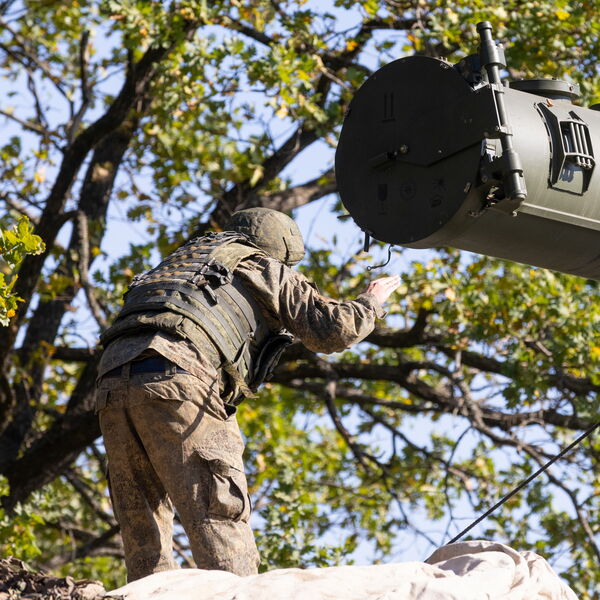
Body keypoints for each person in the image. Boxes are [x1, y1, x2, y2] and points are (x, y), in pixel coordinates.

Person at [96, 207, 401, 582]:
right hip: (180, 378)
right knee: (220, 517)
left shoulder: (182, 262)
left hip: (112, 382)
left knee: (143, 532)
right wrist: (371, 302)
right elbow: (329, 330)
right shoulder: (258, 264)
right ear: (279, 251)